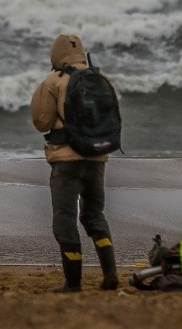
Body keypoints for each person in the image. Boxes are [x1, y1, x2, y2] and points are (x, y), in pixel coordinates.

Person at [30, 34, 119, 293]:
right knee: (94, 216)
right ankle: (110, 273)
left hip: (66, 162)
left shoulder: (53, 81)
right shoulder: (102, 79)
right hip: (98, 157)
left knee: (65, 220)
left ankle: (73, 282)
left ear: (55, 54)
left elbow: (41, 122)